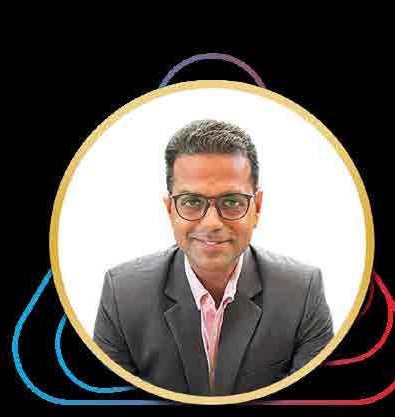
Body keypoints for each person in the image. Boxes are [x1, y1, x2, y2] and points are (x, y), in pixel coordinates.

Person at [93, 119, 333, 396]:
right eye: (191, 202)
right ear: (170, 209)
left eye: (231, 202)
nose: (211, 223)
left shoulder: (302, 293)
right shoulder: (122, 295)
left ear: (256, 207)